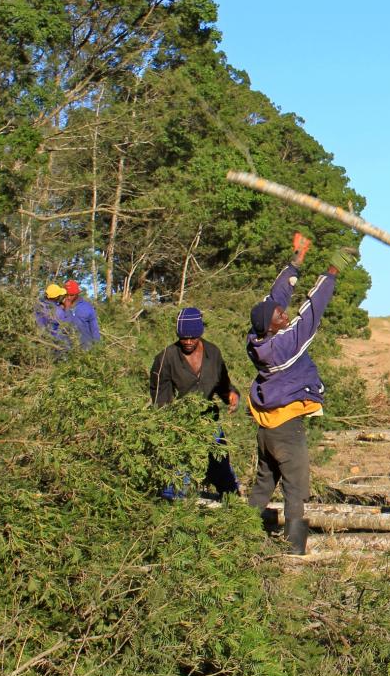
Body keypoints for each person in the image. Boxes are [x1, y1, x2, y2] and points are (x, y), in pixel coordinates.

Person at [245, 232, 357, 555]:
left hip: (266, 429)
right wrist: (332, 271)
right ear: (273, 327)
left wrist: (297, 259)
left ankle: (241, 531)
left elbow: (273, 299)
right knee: (296, 485)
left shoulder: (257, 340)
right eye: (281, 316)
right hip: (286, 429)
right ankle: (295, 548)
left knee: (265, 482)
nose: (285, 314)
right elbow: (312, 311)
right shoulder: (283, 346)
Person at [149, 307, 242, 497]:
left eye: (193, 337)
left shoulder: (213, 353)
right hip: (181, 423)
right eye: (184, 338)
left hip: (210, 420)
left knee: (220, 465)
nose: (189, 342)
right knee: (178, 469)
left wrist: (231, 395)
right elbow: (160, 397)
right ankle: (171, 510)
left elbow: (222, 382)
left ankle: (233, 507)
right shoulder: (166, 358)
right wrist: (169, 427)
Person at [59, 280, 101, 348]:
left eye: (71, 295)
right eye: (66, 295)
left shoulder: (87, 307)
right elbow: (63, 327)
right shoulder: (59, 308)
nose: (69, 297)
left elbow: (95, 330)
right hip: (67, 351)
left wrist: (98, 348)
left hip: (86, 350)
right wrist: (66, 309)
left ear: (77, 293)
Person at [36, 283, 70, 351]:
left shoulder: (37, 306)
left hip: (40, 343)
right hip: (55, 346)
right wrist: (66, 309)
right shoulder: (59, 312)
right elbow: (67, 327)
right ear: (57, 297)